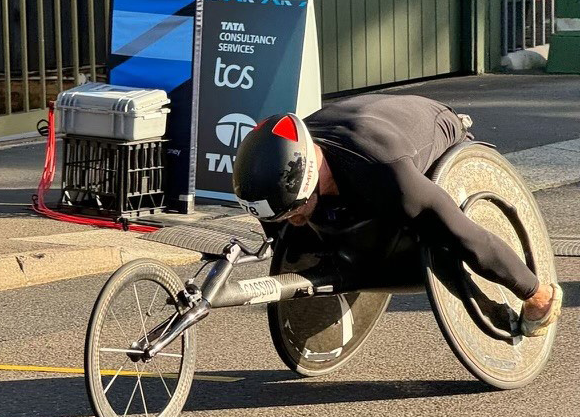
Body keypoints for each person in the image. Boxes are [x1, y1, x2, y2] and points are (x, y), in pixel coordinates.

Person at [232, 94, 562, 337]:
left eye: (293, 212)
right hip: (369, 120)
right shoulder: (285, 169)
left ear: (310, 182)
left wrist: (533, 292)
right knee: (308, 227)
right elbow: (284, 223)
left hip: (431, 128)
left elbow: (467, 237)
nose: (291, 220)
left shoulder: (387, 175)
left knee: (438, 231)